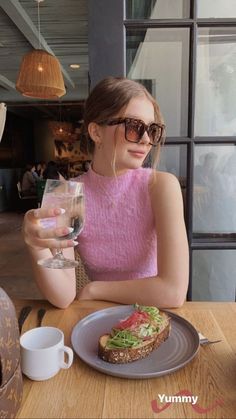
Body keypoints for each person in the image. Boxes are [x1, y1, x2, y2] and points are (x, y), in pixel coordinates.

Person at [23, 77, 189, 309]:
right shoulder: (67, 194)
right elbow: (62, 297)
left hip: (152, 316)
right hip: (99, 316)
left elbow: (173, 292)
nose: (146, 139)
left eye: (152, 129)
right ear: (96, 132)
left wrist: (94, 288)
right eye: (133, 126)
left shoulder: (161, 186)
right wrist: (37, 247)